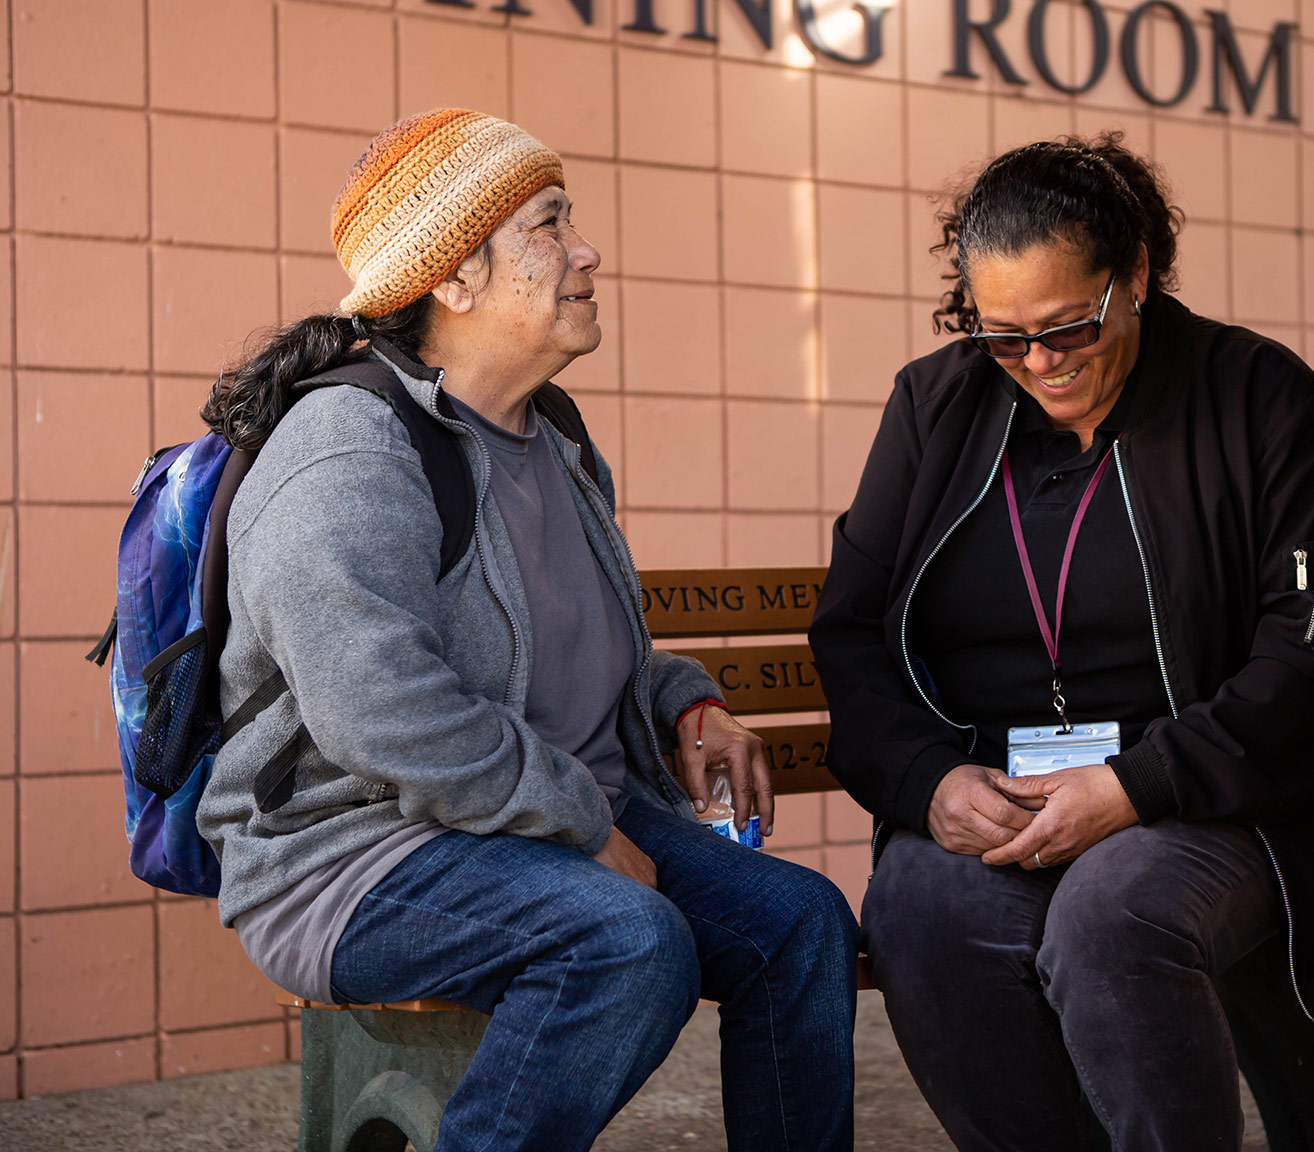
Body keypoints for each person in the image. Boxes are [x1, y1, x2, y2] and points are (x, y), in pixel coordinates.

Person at [195, 109, 857, 1152]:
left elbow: (587, 649)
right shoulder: (345, 449)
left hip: (543, 823)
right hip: (357, 855)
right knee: (627, 944)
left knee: (801, 925)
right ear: (454, 279)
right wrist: (588, 829)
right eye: (551, 224)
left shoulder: (555, 435)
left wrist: (687, 701)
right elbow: (384, 713)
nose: (587, 251)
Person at [808, 133, 1314, 1151]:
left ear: (1133, 276)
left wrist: (1137, 785)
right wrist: (927, 782)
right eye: (1003, 336)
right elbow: (854, 631)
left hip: (1210, 801)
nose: (1038, 364)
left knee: (1112, 915)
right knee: (918, 906)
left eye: (1068, 328)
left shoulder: (1263, 401)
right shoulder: (934, 404)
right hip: (995, 794)